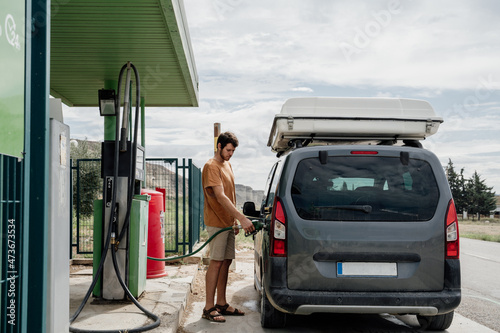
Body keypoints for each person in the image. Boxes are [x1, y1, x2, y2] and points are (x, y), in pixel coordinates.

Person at [201, 131, 255, 322]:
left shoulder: (227, 165)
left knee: (226, 262)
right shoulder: (211, 166)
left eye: (233, 151)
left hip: (228, 222)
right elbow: (220, 196)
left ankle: (221, 303)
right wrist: (242, 218)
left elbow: (230, 195)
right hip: (217, 222)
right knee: (216, 262)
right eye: (228, 150)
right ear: (219, 146)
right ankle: (208, 308)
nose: (231, 154)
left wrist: (234, 220)